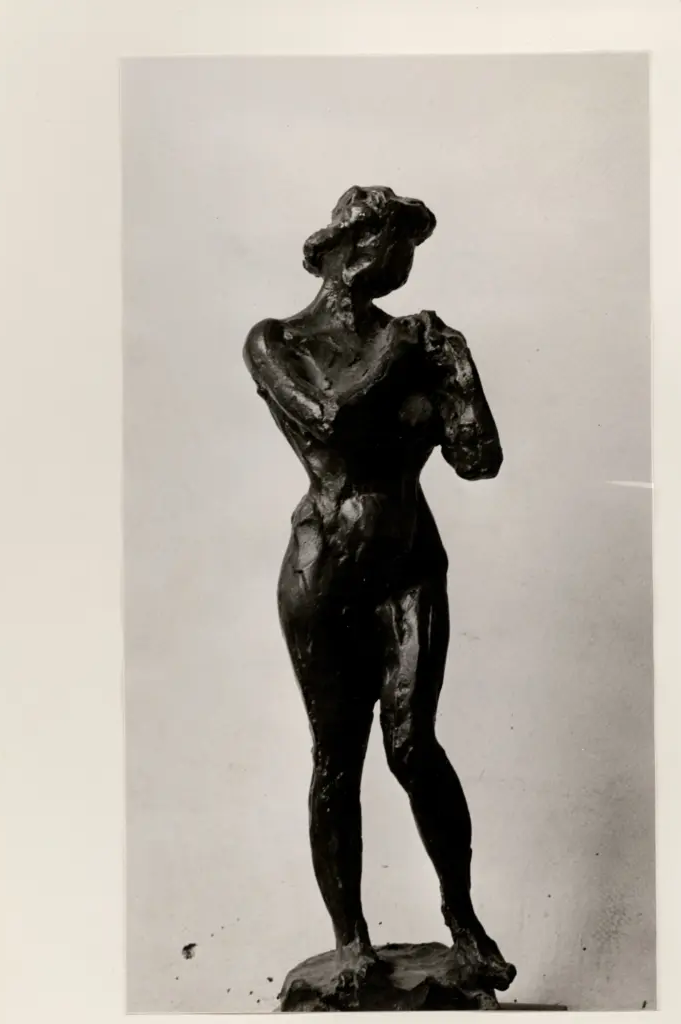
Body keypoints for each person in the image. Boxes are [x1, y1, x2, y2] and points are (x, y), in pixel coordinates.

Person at [243, 186, 515, 992]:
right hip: (322, 565)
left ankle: (464, 924)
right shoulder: (276, 339)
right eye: (394, 246)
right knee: (337, 756)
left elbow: (478, 460)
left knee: (413, 745)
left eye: (408, 252)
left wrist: (459, 370)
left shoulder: (418, 343)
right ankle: (350, 941)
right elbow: (328, 420)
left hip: (408, 564)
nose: (400, 265)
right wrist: (401, 355)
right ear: (346, 248)